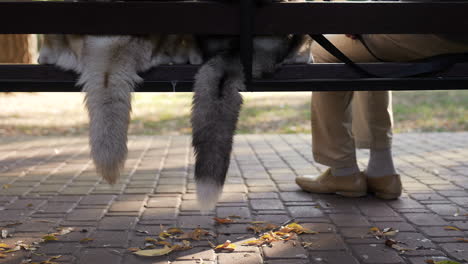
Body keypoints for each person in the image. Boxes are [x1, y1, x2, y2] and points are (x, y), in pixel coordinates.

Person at [295, 33, 468, 199]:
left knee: (323, 51)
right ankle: (382, 172)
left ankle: (343, 171)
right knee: (365, 51)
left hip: (432, 37)